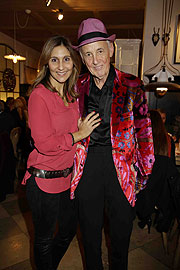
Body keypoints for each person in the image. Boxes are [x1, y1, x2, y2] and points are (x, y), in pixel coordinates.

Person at [70, 18, 155, 270]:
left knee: (120, 236)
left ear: (111, 49)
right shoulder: (76, 88)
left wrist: (140, 176)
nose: (96, 60)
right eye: (88, 54)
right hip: (87, 168)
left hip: (122, 169)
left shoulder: (132, 84)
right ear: (82, 59)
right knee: (90, 234)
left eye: (100, 51)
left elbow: (145, 136)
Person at [22, 35, 101, 270]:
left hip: (68, 178)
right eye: (54, 60)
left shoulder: (72, 95)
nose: (61, 66)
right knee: (44, 239)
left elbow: (75, 128)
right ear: (46, 63)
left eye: (66, 59)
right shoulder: (39, 95)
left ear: (74, 63)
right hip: (43, 179)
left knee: (67, 231)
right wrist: (79, 134)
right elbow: (43, 143)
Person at [136, 110, 177, 233]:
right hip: (162, 190)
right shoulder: (169, 140)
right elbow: (172, 167)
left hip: (144, 189)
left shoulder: (142, 139)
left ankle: (144, 216)